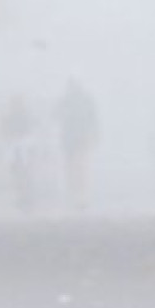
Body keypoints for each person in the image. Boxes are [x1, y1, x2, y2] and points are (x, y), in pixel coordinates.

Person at [55, 78, 100, 212]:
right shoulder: (69, 100)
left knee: (78, 167)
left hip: (78, 138)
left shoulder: (78, 100)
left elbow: (93, 119)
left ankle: (80, 195)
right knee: (76, 167)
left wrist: (95, 134)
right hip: (73, 138)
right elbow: (55, 114)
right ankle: (77, 195)